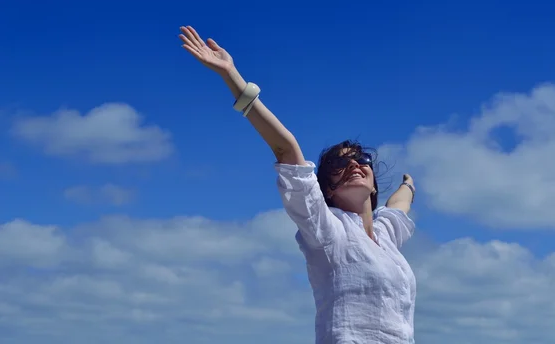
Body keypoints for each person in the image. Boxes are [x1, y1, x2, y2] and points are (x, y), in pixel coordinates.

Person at [179, 26, 417, 344]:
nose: (353, 166)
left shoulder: (386, 236)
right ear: (327, 189)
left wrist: (409, 184)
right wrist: (232, 76)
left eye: (361, 161)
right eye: (338, 165)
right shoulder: (328, 229)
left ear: (374, 184)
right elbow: (286, 148)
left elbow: (398, 206)